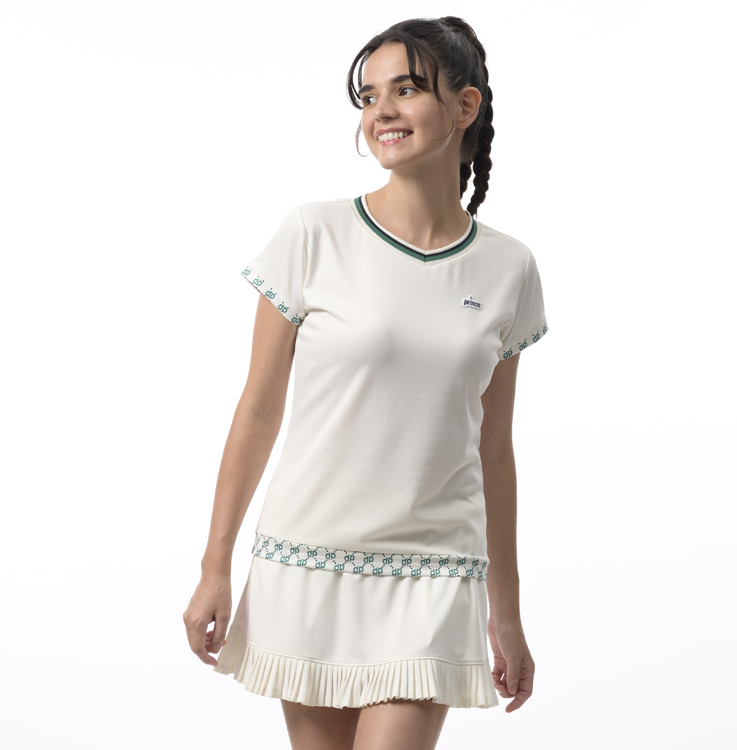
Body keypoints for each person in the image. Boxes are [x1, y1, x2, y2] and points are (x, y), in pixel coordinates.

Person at [183, 16, 549, 750]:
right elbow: (258, 408)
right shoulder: (311, 234)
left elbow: (495, 449)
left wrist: (506, 612)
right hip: (308, 559)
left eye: (406, 90)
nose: (381, 110)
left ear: (465, 106)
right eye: (369, 95)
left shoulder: (509, 267)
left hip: (437, 570)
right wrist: (214, 566)